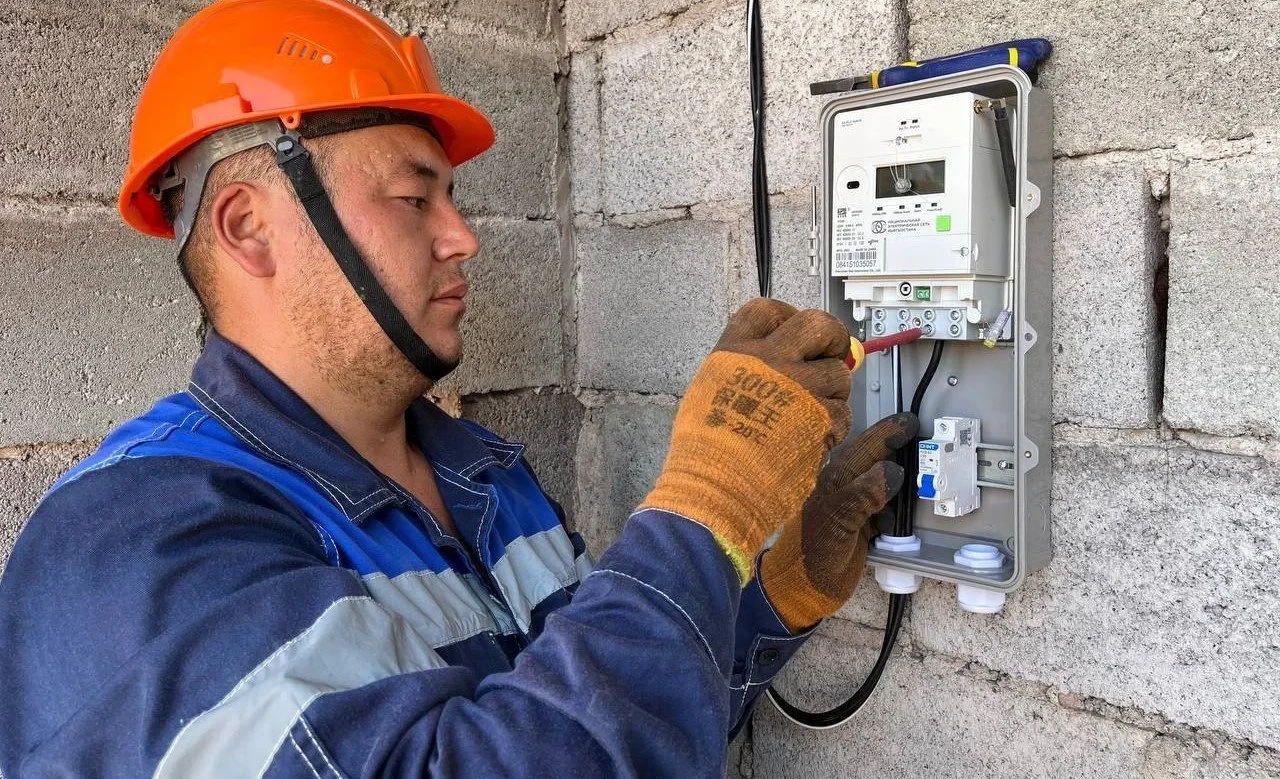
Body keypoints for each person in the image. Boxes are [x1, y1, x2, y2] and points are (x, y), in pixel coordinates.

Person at [0, 0, 915, 776]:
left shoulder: (487, 478)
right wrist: (708, 506)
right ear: (251, 228)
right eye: (414, 198)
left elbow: (608, 725)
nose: (463, 236)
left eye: (453, 199)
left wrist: (772, 596)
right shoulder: (137, 545)